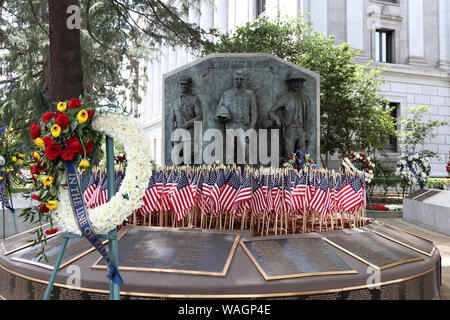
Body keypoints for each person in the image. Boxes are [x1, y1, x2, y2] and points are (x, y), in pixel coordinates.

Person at [215, 70, 258, 164]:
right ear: (233, 80)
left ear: (244, 80)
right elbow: (218, 112)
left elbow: (254, 113)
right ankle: (231, 175)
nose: (238, 81)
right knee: (230, 153)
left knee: (246, 152)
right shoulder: (226, 94)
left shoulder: (250, 94)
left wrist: (252, 127)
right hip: (230, 126)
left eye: (240, 79)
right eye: (236, 79)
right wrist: (222, 118)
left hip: (245, 126)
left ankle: (248, 175)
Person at [269, 74, 312, 158]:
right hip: (290, 131)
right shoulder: (285, 97)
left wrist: (307, 133)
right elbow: (271, 111)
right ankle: (289, 171)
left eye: (298, 82)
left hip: (301, 131)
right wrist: (276, 119)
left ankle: (302, 171)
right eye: (294, 82)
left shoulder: (305, 98)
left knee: (302, 158)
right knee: (289, 157)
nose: (296, 84)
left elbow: (308, 118)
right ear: (289, 83)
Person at [172, 75, 203, 163]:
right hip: (178, 132)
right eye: (181, 84)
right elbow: (172, 119)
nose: (183, 86)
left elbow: (200, 116)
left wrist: (188, 123)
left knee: (188, 159)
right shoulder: (175, 102)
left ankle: (189, 176)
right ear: (178, 85)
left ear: (189, 85)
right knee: (176, 160)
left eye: (185, 84)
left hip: (189, 132)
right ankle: (177, 176)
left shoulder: (194, 99)